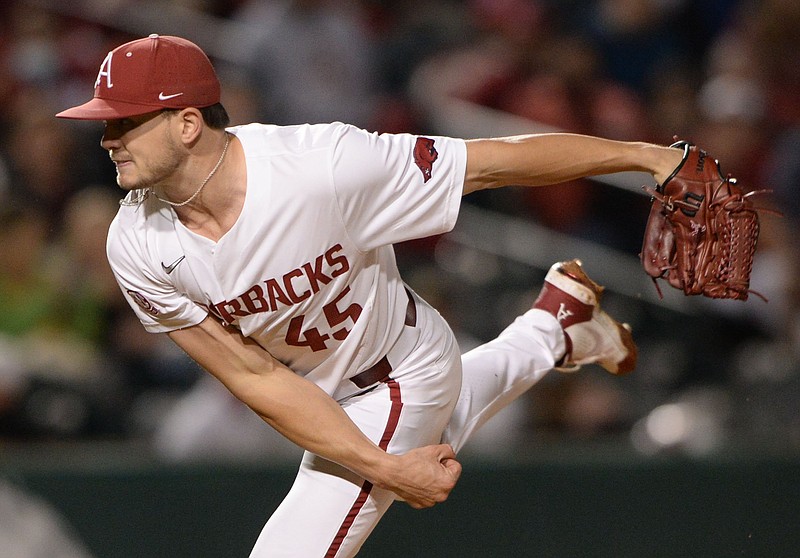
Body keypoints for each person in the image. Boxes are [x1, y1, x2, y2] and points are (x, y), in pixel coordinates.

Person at [56, 34, 682, 557]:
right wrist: (383, 467)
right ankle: (555, 325)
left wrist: (645, 156)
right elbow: (254, 377)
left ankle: (551, 330)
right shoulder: (134, 243)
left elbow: (490, 162)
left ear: (188, 123)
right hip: (325, 395)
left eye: (125, 121)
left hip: (400, 371)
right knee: (440, 425)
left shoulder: (322, 167)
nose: (108, 137)